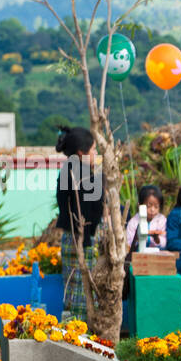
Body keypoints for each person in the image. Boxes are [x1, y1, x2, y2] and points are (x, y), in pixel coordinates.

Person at [55, 125, 102, 322]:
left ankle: (74, 340)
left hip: (72, 238)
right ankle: (79, 343)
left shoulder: (69, 170)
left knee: (74, 294)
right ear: (82, 153)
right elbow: (88, 212)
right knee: (82, 296)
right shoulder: (81, 173)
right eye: (93, 150)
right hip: (81, 242)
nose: (96, 153)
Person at [125, 185, 167, 250]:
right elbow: (128, 242)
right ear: (140, 205)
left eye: (156, 207)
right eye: (149, 206)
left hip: (157, 255)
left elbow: (166, 241)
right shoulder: (134, 222)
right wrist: (137, 239)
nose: (152, 210)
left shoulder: (162, 220)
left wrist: (157, 240)